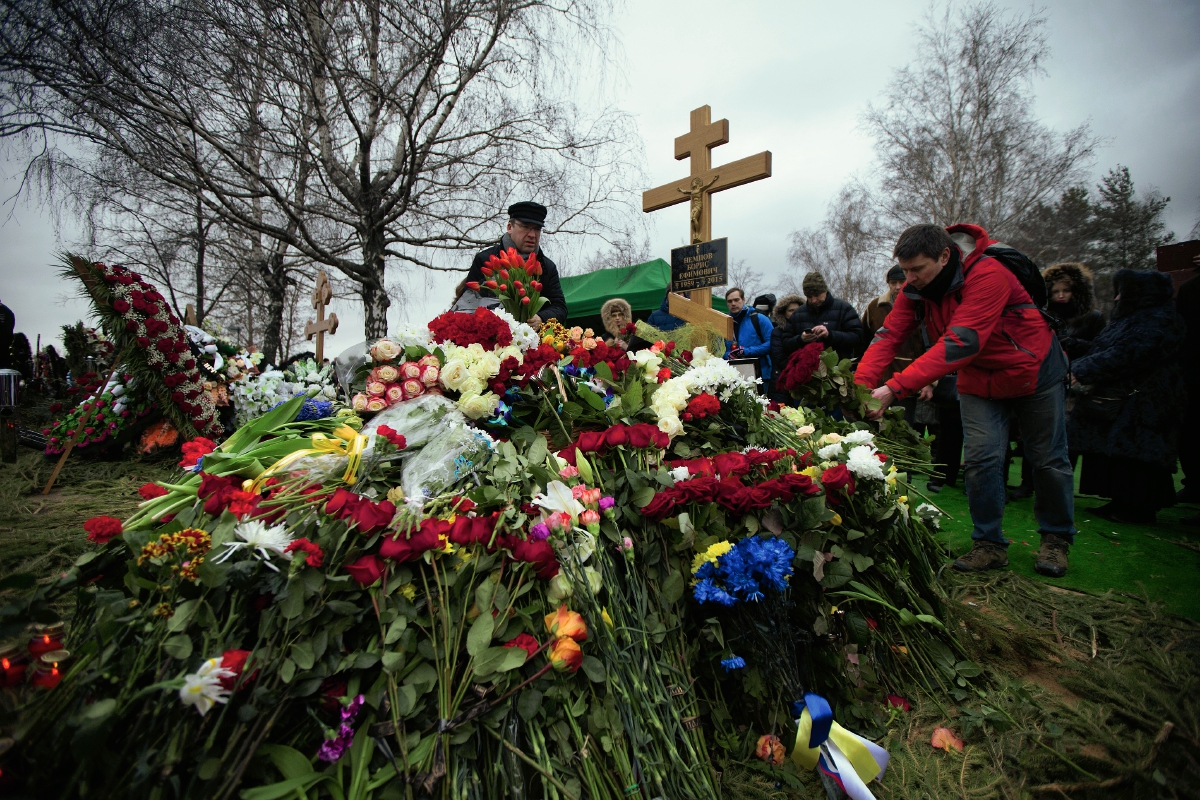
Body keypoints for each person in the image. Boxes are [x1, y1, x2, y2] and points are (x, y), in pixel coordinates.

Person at [856, 223, 1075, 578]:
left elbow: (962, 341)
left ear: (944, 256)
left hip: (1033, 372)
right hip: (978, 379)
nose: (909, 279)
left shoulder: (989, 274)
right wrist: (862, 386)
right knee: (981, 459)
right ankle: (989, 544)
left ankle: (1056, 538)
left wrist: (895, 387)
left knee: (1047, 459)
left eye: (917, 269)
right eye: (905, 270)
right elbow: (888, 335)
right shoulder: (916, 288)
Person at [1070, 269, 1185, 524]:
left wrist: (1082, 369)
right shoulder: (1130, 319)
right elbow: (1107, 348)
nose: (1118, 298)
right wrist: (1077, 353)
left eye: (1123, 291)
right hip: (1122, 396)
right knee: (1116, 452)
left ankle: (1139, 507)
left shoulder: (1160, 319)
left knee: (1138, 454)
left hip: (1148, 399)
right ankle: (1120, 500)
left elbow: (1130, 353)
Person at [464, 201, 568, 325]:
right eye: (525, 227)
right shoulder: (484, 259)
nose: (532, 235)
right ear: (509, 227)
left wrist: (541, 318)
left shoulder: (547, 267)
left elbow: (560, 307)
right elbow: (466, 304)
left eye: (537, 229)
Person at [859, 264, 931, 420]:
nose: (898, 287)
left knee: (906, 427)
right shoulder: (874, 307)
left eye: (901, 282)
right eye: (893, 283)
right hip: (879, 381)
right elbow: (864, 341)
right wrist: (861, 381)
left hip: (911, 380)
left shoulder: (922, 305)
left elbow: (931, 344)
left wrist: (929, 381)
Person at [778, 272, 863, 362]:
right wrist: (801, 339)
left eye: (817, 295)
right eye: (810, 297)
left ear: (825, 291)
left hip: (838, 371)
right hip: (806, 371)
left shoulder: (844, 309)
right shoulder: (798, 314)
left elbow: (857, 338)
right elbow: (785, 344)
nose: (814, 300)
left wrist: (830, 335)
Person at [1043, 263, 1105, 361]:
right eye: (1056, 292)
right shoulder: (1045, 318)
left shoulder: (1093, 317)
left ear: (1076, 291)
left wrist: (1075, 343)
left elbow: (1102, 348)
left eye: (1066, 291)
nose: (1061, 295)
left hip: (1083, 369)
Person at [723, 287, 774, 391]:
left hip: (760, 375)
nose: (733, 303)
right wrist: (728, 355)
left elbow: (772, 343)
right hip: (734, 376)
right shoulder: (724, 323)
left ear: (743, 300)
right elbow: (720, 349)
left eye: (736, 300)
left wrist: (745, 351)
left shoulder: (760, 319)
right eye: (730, 301)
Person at [769, 294, 802, 403]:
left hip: (804, 382)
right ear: (784, 313)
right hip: (782, 380)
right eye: (791, 310)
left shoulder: (808, 330)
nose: (795, 313)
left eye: (798, 310)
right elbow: (778, 357)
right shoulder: (777, 332)